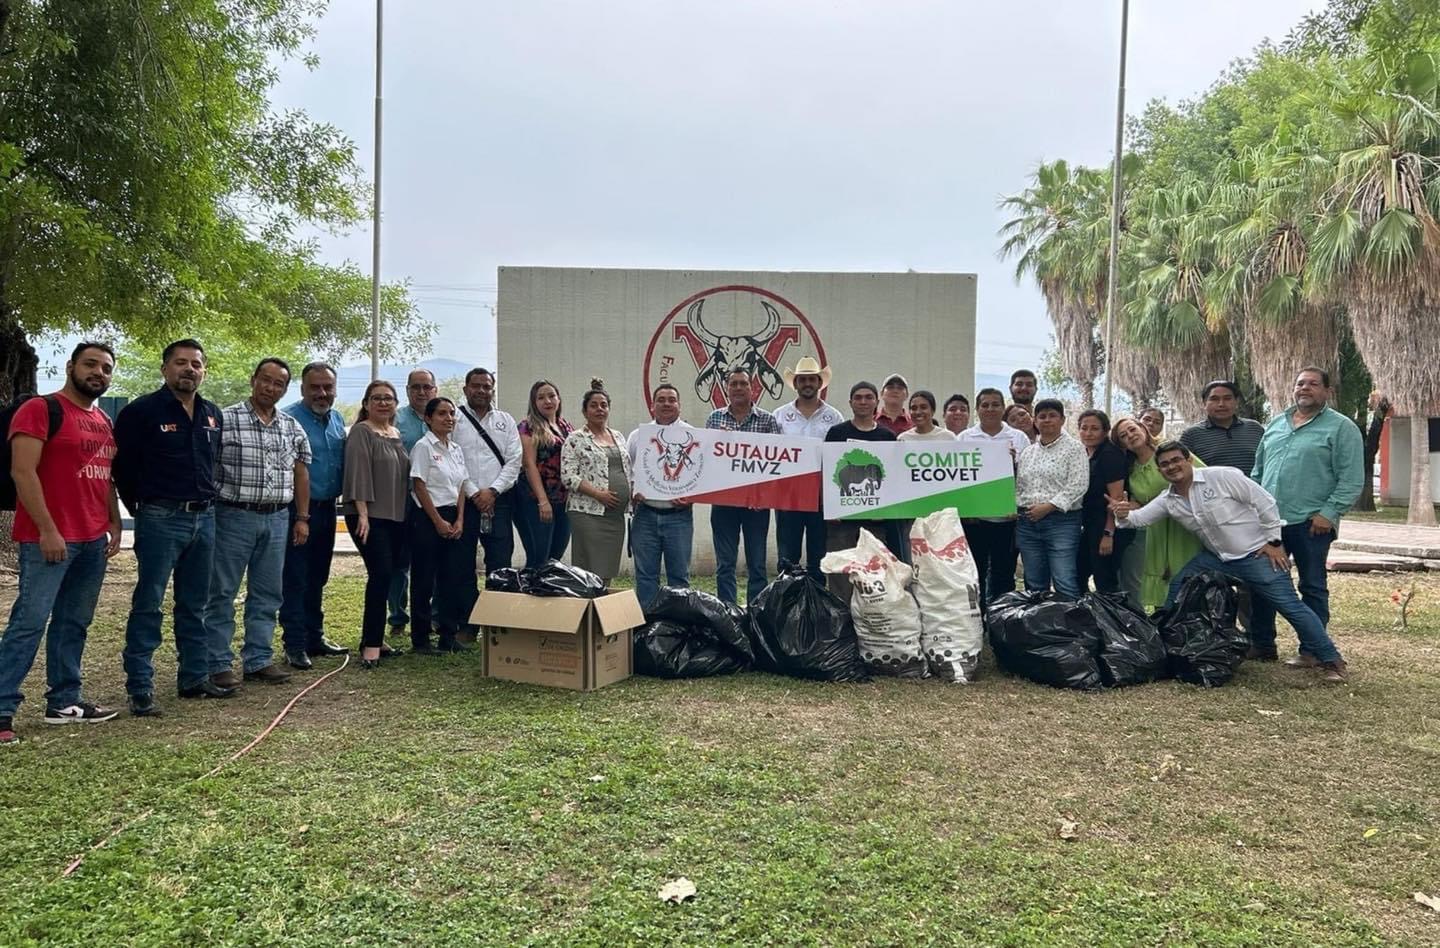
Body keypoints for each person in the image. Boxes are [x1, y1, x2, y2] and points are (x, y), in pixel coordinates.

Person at [1112, 442, 1349, 682]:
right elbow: (1138, 519)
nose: (1172, 467)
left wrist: (1274, 542)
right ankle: (1169, 649)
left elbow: (1264, 502)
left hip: (1256, 555)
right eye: (1165, 465)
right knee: (1178, 587)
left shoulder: (1222, 476)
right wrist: (1121, 514)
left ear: (1188, 460)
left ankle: (1332, 660)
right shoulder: (1169, 499)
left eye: (1176, 460)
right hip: (1217, 558)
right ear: (1160, 471)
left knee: (1290, 607)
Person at [0, 343, 122, 744]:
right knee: (29, 623)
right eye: (90, 364)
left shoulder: (103, 419)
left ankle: (64, 701)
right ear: (71, 367)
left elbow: (103, 475)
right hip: (49, 539)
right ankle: (2, 708)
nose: (98, 373)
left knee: (74, 622)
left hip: (91, 540)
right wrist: (48, 529)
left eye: (105, 368)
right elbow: (23, 472)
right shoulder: (39, 409)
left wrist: (114, 522)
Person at [114, 339, 233, 714]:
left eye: (196, 364)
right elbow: (123, 470)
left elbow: (213, 463)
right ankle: (140, 686)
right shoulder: (142, 412)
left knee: (195, 602)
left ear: (204, 370)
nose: (189, 369)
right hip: (161, 518)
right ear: (165, 368)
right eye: (181, 363)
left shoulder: (212, 413)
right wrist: (145, 507)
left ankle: (194, 677)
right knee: (149, 602)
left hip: (205, 517)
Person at [204, 358, 311, 688]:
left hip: (278, 518)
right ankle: (218, 662)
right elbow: (207, 466)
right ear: (253, 380)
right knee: (222, 591)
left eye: (279, 383)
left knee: (267, 593)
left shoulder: (291, 426)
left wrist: (302, 517)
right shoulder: (224, 419)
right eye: (266, 380)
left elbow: (301, 472)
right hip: (233, 516)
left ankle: (258, 659)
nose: (271, 388)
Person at [1248, 366, 1364, 665]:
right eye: (1300, 383)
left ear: (1327, 391)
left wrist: (1329, 513)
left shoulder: (1341, 428)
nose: (1305, 388)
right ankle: (1262, 645)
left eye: (1313, 384)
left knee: (1311, 585)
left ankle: (1311, 650)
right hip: (1270, 523)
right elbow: (1258, 471)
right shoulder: (1276, 424)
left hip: (1311, 524)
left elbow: (1351, 478)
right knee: (1262, 584)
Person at [279, 362, 350, 670]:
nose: (322, 393)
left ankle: (314, 637)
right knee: (295, 577)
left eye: (328, 387)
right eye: (315, 387)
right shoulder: (288, 419)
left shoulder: (337, 419)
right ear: (303, 389)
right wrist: (301, 517)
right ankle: (294, 644)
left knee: (318, 576)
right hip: (296, 512)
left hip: (327, 509)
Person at [343, 381, 412, 668]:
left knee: (389, 576)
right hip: (370, 518)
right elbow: (358, 473)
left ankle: (376, 638)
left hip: (397, 517)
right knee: (380, 575)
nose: (383, 403)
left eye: (388, 398)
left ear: (396, 403)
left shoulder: (395, 433)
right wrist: (362, 514)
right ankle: (370, 645)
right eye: (377, 398)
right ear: (366, 403)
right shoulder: (362, 431)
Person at [1111, 416, 1206, 611]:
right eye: (1123, 436)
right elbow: (1137, 501)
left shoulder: (1168, 452)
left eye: (1132, 429)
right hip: (1156, 530)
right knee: (1161, 578)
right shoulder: (1129, 468)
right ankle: (1166, 629)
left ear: (1143, 428)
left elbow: (1203, 474)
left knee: (1189, 576)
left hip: (1186, 525)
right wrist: (1128, 507)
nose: (1130, 436)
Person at [824, 380, 906, 600]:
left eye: (868, 397)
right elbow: (828, 473)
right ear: (850, 402)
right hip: (840, 525)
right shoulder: (836, 433)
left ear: (876, 402)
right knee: (840, 580)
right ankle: (842, 629)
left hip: (876, 524)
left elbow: (892, 479)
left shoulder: (887, 437)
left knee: (873, 580)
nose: (863, 401)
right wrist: (830, 509)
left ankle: (870, 628)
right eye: (858, 397)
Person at [453, 367, 521, 632]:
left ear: (493, 389)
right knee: (463, 563)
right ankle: (469, 624)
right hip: (464, 503)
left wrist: (492, 491)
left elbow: (514, 461)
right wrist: (474, 493)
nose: (481, 391)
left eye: (487, 386)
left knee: (500, 563)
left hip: (499, 502)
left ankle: (497, 624)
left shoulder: (505, 420)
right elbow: (452, 460)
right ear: (466, 389)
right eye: (476, 386)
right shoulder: (454, 418)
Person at [706, 368, 781, 605]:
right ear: (727, 389)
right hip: (724, 503)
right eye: (733, 384)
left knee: (757, 564)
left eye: (743, 384)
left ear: (752, 388)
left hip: (756, 505)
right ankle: (728, 612)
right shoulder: (714, 419)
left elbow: (778, 461)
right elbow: (707, 459)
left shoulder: (768, 420)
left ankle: (756, 613)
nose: (738, 388)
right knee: (725, 564)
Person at [409, 397, 473, 655]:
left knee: (451, 579)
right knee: (424, 580)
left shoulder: (456, 449)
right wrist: (437, 521)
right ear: (428, 418)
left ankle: (448, 635)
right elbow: (419, 485)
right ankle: (421, 640)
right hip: (428, 517)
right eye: (442, 414)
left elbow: (460, 486)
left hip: (453, 515)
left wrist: (459, 519)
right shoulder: (424, 447)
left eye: (452, 414)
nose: (448, 418)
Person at [957, 387, 1030, 609]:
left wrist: (1014, 463)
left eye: (995, 404)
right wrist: (965, 510)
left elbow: (1027, 478)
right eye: (985, 404)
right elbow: (957, 480)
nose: (990, 409)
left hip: (1006, 520)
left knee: (1004, 573)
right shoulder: (964, 438)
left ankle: (1001, 619)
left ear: (1002, 407)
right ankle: (976, 621)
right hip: (974, 520)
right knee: (973, 572)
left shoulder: (1018, 438)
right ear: (977, 409)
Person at [773, 356, 843, 582]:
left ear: (819, 382)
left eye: (812, 379)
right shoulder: (780, 416)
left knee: (819, 560)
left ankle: (818, 610)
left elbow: (839, 458)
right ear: (795, 384)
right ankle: (786, 608)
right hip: (788, 498)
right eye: (802, 380)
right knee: (787, 559)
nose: (807, 384)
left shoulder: (834, 417)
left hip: (821, 498)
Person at [627, 384, 695, 608]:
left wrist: (692, 497)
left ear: (679, 405)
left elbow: (701, 476)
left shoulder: (693, 435)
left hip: (679, 517)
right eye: (661, 400)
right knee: (646, 578)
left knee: (679, 578)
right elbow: (628, 472)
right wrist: (632, 492)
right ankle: (647, 628)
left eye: (671, 400)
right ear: (652, 405)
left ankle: (678, 629)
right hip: (645, 515)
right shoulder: (637, 436)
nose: (666, 404)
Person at [1013, 398, 1088, 598]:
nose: (1047, 420)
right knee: (1034, 583)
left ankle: (1071, 627)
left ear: (1062, 419)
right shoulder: (1028, 452)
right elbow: (1020, 487)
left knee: (1064, 580)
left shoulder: (1075, 448)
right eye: (1042, 416)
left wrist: (1048, 507)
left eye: (1052, 416)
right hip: (1027, 522)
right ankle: (1040, 627)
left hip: (1061, 522)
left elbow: (1078, 485)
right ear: (1035, 421)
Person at [561, 379, 632, 583]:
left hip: (615, 516)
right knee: (589, 570)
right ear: (585, 411)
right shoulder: (575, 438)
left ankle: (601, 609)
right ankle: (586, 611)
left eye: (604, 405)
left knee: (607, 568)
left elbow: (626, 470)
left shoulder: (618, 436)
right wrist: (598, 494)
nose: (599, 409)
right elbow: (568, 475)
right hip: (588, 512)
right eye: (593, 405)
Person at [387, 368, 437, 639]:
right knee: (399, 563)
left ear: (435, 390)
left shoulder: (443, 415)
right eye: (416, 387)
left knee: (433, 562)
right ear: (407, 390)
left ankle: (434, 615)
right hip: (402, 499)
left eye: (426, 387)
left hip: (437, 501)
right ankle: (397, 616)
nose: (421, 392)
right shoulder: (396, 419)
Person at [517, 379, 574, 568]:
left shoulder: (566, 426)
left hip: (563, 501)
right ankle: (528, 594)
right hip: (537, 500)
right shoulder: (528, 426)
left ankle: (548, 593)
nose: (547, 401)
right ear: (534, 402)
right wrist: (543, 501)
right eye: (541, 397)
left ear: (559, 399)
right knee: (539, 557)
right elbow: (529, 464)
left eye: (551, 396)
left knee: (555, 557)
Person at [1075, 409, 1129, 594]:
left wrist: (1108, 534)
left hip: (1106, 525)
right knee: (1078, 573)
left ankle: (1112, 620)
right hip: (1089, 524)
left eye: (1094, 429)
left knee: (1104, 580)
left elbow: (1116, 499)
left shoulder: (1109, 455)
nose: (1088, 433)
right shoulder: (1084, 453)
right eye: (1084, 428)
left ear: (1105, 431)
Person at [1179, 380, 1265, 471]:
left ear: (1236, 402)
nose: (1221, 404)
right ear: (1204, 403)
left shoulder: (1255, 429)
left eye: (1227, 398)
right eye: (1214, 399)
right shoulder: (1191, 435)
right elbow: (1182, 469)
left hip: (1253, 485)